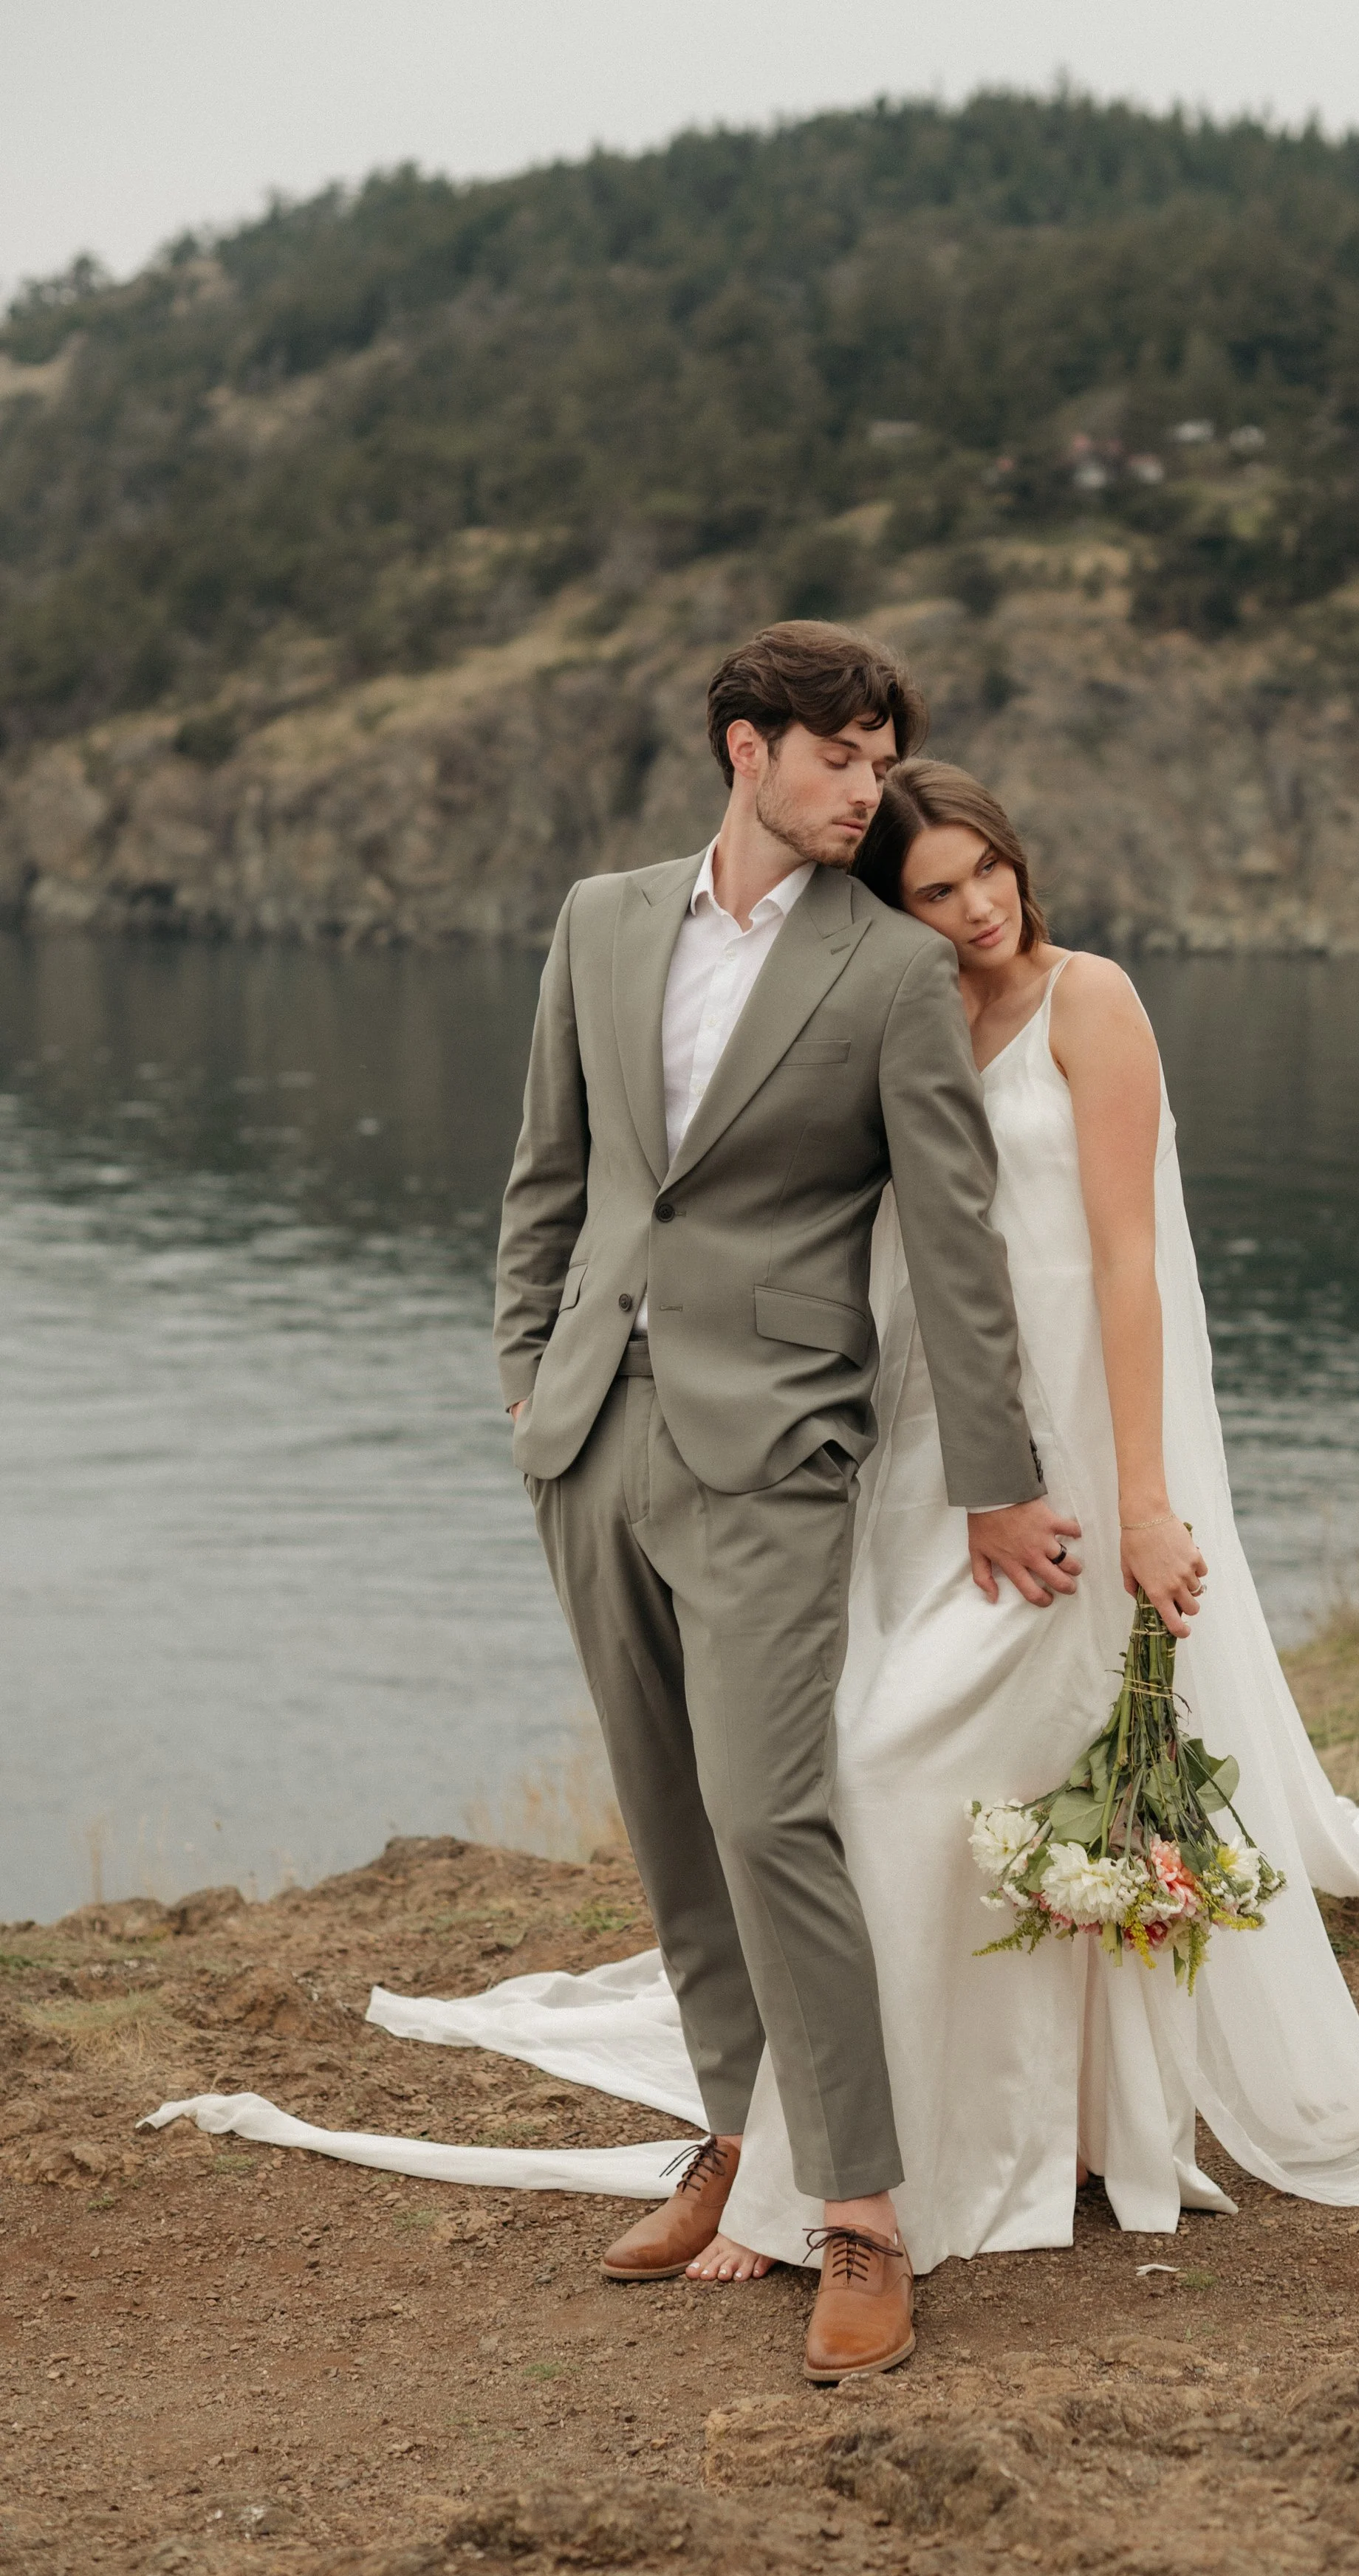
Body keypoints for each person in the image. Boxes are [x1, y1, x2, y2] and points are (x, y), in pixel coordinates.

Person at [146, 760, 1359, 2304]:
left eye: (986, 871)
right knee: (945, 1791)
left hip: (1069, 1455)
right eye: (935, 887)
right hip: (905, 1441)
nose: (976, 907)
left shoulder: (1087, 1002)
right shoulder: (874, 1005)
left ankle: (862, 2182)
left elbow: (1119, 1267)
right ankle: (1006, 2118)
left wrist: (1143, 1498)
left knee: (885, 1771)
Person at [493, 634, 1078, 2378]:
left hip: (774, 1451)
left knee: (769, 1816)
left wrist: (997, 1483)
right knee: (669, 1821)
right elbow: (552, 1170)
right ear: (745, 750)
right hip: (594, 1430)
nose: (868, 788)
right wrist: (525, 1373)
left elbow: (958, 1249)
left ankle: (860, 2213)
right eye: (839, 756)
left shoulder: (891, 970)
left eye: (883, 755)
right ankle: (739, 2146)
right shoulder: (601, 921)